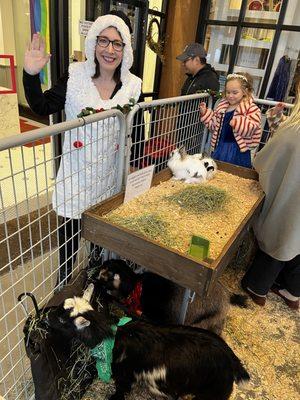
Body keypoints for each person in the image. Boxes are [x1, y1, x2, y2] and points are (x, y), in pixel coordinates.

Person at [23, 13, 142, 286]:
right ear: (93, 42)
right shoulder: (75, 75)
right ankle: (63, 291)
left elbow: (138, 129)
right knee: (68, 252)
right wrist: (31, 75)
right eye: (104, 41)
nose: (110, 50)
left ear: (126, 49)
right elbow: (43, 106)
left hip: (108, 182)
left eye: (117, 43)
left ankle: (93, 292)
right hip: (74, 180)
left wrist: (135, 170)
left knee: (98, 253)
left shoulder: (133, 85)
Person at [241, 82, 300, 311]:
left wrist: (259, 160)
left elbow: (267, 159)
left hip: (292, 198)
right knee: (296, 243)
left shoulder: (294, 130)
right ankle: (293, 292)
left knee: (281, 235)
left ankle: (257, 288)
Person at [199, 73, 262, 168]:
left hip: (239, 150)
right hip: (220, 147)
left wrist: (237, 123)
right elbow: (214, 126)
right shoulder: (222, 107)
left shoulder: (251, 108)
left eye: (235, 92)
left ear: (245, 91)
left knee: (236, 175)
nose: (230, 96)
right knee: (217, 171)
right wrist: (205, 114)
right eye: (228, 92)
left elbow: (252, 128)